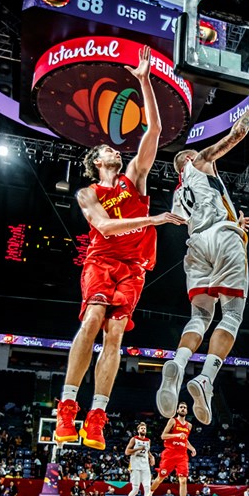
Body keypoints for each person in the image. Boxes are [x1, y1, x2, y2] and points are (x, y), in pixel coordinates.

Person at [52, 45, 185, 451]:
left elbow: (155, 133)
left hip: (134, 268)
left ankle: (97, 415)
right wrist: (155, 219)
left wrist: (144, 80)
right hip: (102, 260)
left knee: (114, 336)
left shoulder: (135, 179)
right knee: (92, 320)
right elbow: (106, 227)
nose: (116, 149)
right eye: (108, 150)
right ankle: (67, 407)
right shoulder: (87, 192)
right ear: (97, 161)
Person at [155, 106, 249, 425]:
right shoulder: (198, 163)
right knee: (232, 314)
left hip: (196, 245)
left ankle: (180, 360)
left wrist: (233, 221)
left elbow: (198, 215)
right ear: (188, 159)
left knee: (200, 315)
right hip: (222, 236)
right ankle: (205, 378)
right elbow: (234, 137)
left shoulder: (178, 196)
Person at [140, 401, 197, 496]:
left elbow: (185, 439)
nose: (183, 409)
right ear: (177, 410)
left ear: (187, 411)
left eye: (185, 408)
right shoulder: (172, 421)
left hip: (182, 456)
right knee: (160, 478)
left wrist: (191, 448)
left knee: (183, 480)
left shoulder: (189, 425)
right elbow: (163, 436)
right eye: (181, 407)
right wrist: (176, 435)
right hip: (170, 454)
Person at [120, 421, 155, 496]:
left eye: (145, 428)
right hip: (135, 466)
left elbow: (147, 452)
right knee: (135, 489)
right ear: (138, 430)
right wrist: (137, 449)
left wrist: (151, 457)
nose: (143, 430)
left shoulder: (148, 440)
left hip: (145, 467)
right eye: (142, 428)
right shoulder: (134, 439)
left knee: (148, 489)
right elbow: (127, 452)